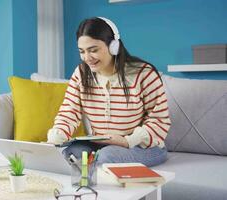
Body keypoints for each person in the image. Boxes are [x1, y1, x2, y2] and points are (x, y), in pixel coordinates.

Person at [47, 17, 171, 167]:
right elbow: (69, 112)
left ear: (114, 46)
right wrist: (58, 133)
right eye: (82, 51)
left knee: (107, 156)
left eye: (93, 50)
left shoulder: (143, 74)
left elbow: (159, 120)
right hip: (102, 146)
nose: (87, 58)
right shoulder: (81, 73)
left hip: (143, 147)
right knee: (71, 154)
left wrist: (127, 141)